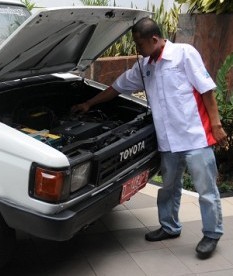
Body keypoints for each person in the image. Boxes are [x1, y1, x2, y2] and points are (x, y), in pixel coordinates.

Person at [71, 17, 227, 259]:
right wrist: (88, 103)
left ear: (154, 39)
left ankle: (212, 234)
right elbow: (117, 88)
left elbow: (207, 90)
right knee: (168, 188)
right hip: (168, 141)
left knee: (206, 189)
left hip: (195, 136)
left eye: (139, 44)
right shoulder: (145, 66)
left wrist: (216, 125)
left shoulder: (184, 54)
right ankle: (170, 226)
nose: (137, 50)